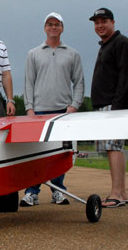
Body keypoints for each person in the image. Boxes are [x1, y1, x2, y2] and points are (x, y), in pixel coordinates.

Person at [20, 12, 84, 206]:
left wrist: (74, 106)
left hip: (63, 112)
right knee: (36, 154)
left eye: (57, 24)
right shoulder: (33, 53)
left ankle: (58, 191)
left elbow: (79, 82)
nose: (53, 27)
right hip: (38, 111)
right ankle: (32, 192)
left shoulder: (72, 54)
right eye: (50, 24)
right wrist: (29, 109)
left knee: (60, 155)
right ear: (45, 27)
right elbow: (28, 83)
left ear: (62, 28)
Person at [89, 7, 128, 208]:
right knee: (111, 149)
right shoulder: (106, 45)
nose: (100, 25)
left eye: (104, 21)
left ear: (113, 22)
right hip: (103, 105)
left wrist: (117, 107)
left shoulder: (122, 43)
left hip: (114, 106)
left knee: (113, 148)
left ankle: (116, 193)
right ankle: (122, 193)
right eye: (96, 22)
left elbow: (126, 77)